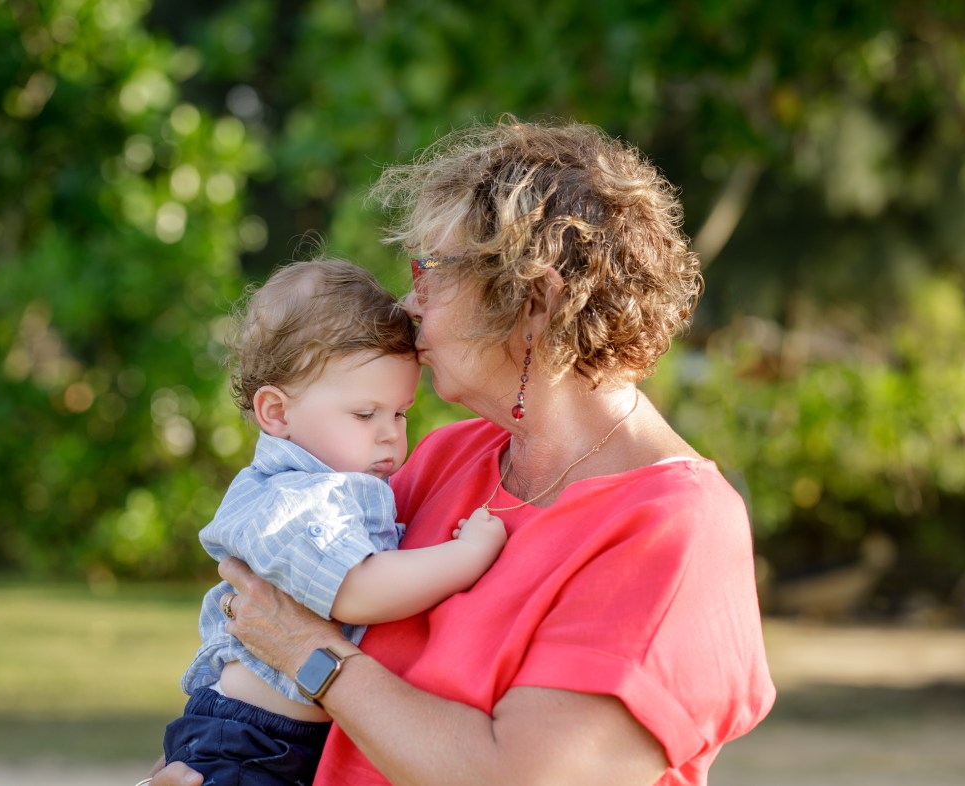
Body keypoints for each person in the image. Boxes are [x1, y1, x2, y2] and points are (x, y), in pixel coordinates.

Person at [148, 118, 775, 786]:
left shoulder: (675, 526)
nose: (408, 302)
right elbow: (257, 645)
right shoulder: (448, 457)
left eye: (432, 272)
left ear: (535, 301)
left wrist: (314, 656)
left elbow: (517, 777)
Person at [159, 258, 508, 786]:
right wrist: (465, 557)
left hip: (290, 741)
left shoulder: (346, 485)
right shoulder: (294, 499)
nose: (390, 434)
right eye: (366, 414)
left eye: (401, 412)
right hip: (248, 741)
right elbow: (355, 589)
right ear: (276, 413)